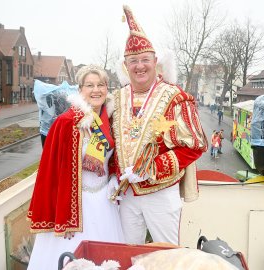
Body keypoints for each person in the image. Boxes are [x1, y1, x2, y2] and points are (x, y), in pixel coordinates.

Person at [109, 5, 208, 245]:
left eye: (145, 59)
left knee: (167, 255)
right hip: (126, 195)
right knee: (127, 252)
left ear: (155, 61)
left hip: (161, 194)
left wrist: (151, 168)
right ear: (125, 65)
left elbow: (195, 145)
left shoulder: (175, 97)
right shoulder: (116, 98)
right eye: (133, 61)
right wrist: (114, 172)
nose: (139, 66)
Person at [27, 65, 124, 270]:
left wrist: (114, 177)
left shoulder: (111, 121)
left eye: (100, 85)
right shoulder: (66, 123)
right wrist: (63, 216)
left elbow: (114, 160)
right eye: (90, 85)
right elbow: (52, 174)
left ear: (107, 88)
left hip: (105, 203)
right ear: (80, 90)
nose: (96, 90)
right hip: (74, 207)